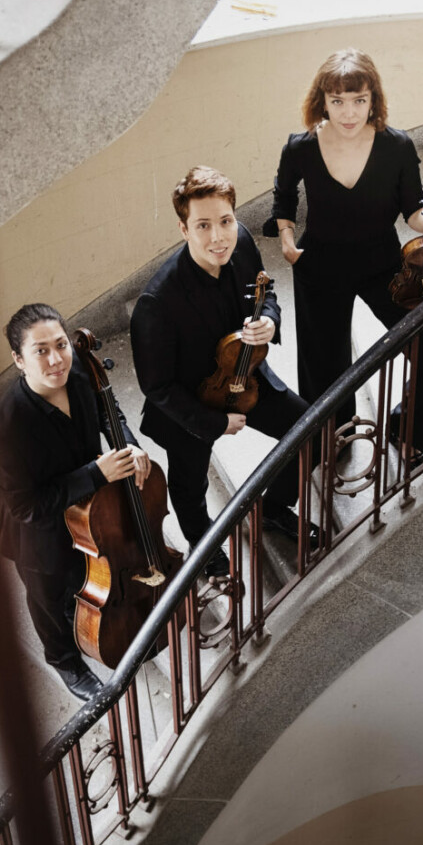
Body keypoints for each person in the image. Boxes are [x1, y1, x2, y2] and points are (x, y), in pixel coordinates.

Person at [267, 48, 423, 464]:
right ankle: (333, 442)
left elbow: (413, 207)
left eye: (359, 100)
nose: (349, 112)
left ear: (374, 99)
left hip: (384, 266)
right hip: (320, 268)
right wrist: (286, 240)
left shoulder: (397, 146)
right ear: (323, 101)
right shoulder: (300, 148)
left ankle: (408, 427)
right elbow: (283, 198)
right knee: (325, 375)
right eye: (337, 102)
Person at [130, 166, 318, 577]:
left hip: (247, 377)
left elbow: (265, 294)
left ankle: (272, 508)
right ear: (184, 230)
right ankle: (204, 547)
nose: (218, 237)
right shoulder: (156, 303)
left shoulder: (243, 242)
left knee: (311, 431)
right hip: (190, 403)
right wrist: (214, 422)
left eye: (226, 221)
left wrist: (269, 320)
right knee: (189, 486)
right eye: (203, 226)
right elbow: (158, 386)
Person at [0, 302, 150, 703]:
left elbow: (112, 415)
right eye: (40, 350)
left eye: (61, 344)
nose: (56, 359)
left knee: (95, 572)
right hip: (38, 532)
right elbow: (26, 506)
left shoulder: (80, 372)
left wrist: (128, 445)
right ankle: (63, 660)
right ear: (18, 360)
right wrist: (97, 473)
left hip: (94, 509)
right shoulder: (5, 429)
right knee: (48, 596)